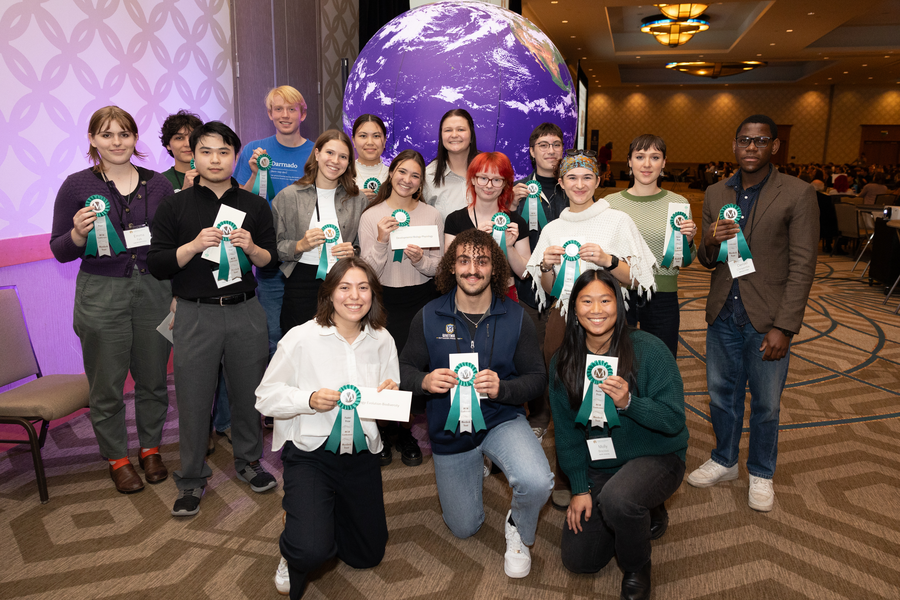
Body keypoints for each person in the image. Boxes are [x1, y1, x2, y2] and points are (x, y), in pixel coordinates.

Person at [400, 229, 553, 579]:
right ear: (451, 268)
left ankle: (518, 528)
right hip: (449, 429)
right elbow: (404, 369)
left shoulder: (516, 317)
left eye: (482, 261)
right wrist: (424, 382)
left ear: (494, 269)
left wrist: (504, 389)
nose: (473, 269)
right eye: (464, 260)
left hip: (501, 419)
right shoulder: (428, 315)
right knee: (464, 526)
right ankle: (470, 476)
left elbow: (537, 379)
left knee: (537, 480)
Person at [686, 114, 819, 512]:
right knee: (721, 397)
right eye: (744, 140)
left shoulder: (797, 193)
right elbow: (707, 260)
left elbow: (803, 265)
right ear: (734, 144)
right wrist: (709, 238)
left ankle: (761, 472)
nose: (751, 147)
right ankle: (725, 460)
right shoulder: (714, 193)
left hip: (768, 320)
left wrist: (785, 326)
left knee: (766, 404)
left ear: (774, 147)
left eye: (760, 141)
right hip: (723, 313)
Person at [148, 121, 279, 516]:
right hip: (195, 314)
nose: (215, 159)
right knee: (192, 398)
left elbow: (270, 263)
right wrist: (192, 245)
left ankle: (249, 461)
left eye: (224, 151)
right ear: (193, 155)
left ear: (235, 156)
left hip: (245, 311)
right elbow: (157, 263)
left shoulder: (255, 205)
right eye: (206, 151)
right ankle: (190, 478)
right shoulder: (175, 204)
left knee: (248, 394)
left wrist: (253, 247)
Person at [49, 105, 174, 494]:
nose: (116, 142)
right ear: (92, 140)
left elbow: (171, 244)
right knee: (107, 383)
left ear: (136, 139)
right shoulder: (76, 186)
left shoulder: (159, 186)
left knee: (154, 379)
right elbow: (59, 250)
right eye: (106, 135)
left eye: (124, 134)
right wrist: (77, 235)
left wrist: (176, 294)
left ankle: (150, 448)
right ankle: (117, 458)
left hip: (155, 289)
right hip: (101, 292)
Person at [256, 257, 396, 599]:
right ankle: (295, 538)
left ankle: (319, 514)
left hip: (362, 455)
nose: (355, 296)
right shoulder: (301, 338)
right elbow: (264, 398)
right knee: (311, 550)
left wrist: (390, 395)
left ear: (373, 295)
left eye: (363, 288)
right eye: (344, 287)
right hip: (311, 456)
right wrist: (309, 399)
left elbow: (389, 394)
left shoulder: (382, 339)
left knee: (367, 556)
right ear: (329, 294)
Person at [525, 149, 656, 509]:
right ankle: (570, 475)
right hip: (564, 319)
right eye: (571, 178)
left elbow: (637, 279)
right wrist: (548, 267)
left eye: (587, 177)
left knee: (611, 391)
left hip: (607, 321)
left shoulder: (617, 220)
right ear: (562, 183)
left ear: (598, 181)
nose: (579, 184)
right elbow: (551, 289)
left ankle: (620, 471)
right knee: (565, 397)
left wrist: (609, 261)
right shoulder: (553, 227)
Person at [551, 269, 687, 600]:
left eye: (605, 300)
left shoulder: (649, 349)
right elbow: (568, 435)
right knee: (579, 560)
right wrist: (580, 489)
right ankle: (636, 510)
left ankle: (637, 565)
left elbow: (673, 421)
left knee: (619, 500)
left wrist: (629, 403)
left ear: (619, 305)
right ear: (575, 308)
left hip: (656, 454)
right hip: (602, 463)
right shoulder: (564, 361)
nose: (596, 310)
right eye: (587, 301)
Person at [358, 149, 442, 467]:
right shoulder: (371, 216)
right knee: (381, 367)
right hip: (382, 301)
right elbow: (368, 272)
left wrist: (421, 260)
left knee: (409, 366)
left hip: (420, 299)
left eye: (415, 175)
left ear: (421, 183)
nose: (407, 179)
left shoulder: (431, 215)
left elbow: (438, 267)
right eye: (402, 172)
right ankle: (380, 431)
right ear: (391, 173)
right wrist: (381, 240)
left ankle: (404, 431)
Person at [234, 86, 314, 366]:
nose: (284, 115)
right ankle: (272, 401)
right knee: (271, 333)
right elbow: (239, 200)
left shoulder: (316, 153)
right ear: (269, 113)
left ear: (302, 113)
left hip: (308, 255)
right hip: (268, 254)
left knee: (307, 331)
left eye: (291, 109)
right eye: (278, 109)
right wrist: (255, 174)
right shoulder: (254, 152)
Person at [605, 134, 699, 357]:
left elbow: (682, 261)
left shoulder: (678, 204)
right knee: (616, 361)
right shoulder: (610, 204)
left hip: (662, 295)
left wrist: (687, 243)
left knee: (661, 361)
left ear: (664, 163)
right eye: (640, 156)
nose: (647, 164)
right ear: (629, 161)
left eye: (655, 157)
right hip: (619, 293)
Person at [272, 130, 367, 334]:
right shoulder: (288, 197)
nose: (335, 161)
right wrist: (300, 245)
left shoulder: (358, 199)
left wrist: (354, 253)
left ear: (349, 163)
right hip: (300, 282)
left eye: (343, 157)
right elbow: (273, 249)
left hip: (343, 282)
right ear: (317, 154)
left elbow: (362, 245)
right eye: (329, 153)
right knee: (300, 347)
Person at [509, 123, 567, 440]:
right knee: (533, 354)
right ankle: (540, 412)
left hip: (567, 285)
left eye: (556, 144)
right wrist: (511, 207)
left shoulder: (574, 187)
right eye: (543, 145)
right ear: (532, 152)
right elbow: (503, 233)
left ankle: (567, 410)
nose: (550, 150)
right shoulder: (516, 191)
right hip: (528, 286)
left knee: (563, 351)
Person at [443, 152, 532, 297]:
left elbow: (525, 274)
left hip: (505, 295)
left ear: (504, 184)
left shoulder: (516, 222)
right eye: (483, 178)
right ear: (472, 179)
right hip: (465, 293)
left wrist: (509, 246)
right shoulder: (454, 219)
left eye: (497, 180)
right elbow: (449, 267)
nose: (489, 185)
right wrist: (475, 240)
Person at [423, 108, 480, 220]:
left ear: (471, 134)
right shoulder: (428, 176)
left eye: (461, 129)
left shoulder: (490, 169)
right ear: (441, 136)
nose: (454, 135)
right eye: (448, 130)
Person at [159, 109, 202, 192]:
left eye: (192, 137)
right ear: (168, 145)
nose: (187, 144)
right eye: (179, 138)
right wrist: (185, 191)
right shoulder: (160, 182)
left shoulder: (214, 175)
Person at [352, 114, 389, 201]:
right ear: (353, 141)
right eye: (363, 136)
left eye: (376, 136)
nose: (370, 142)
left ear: (384, 141)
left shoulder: (394, 175)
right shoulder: (343, 173)